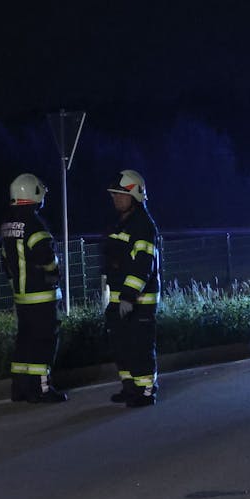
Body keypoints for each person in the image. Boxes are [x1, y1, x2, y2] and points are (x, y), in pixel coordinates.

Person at [0, 174, 68, 403]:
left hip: (22, 297)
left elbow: (5, 261)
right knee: (44, 341)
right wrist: (53, 272)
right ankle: (42, 388)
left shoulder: (8, 225)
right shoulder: (35, 224)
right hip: (41, 295)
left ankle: (19, 387)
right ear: (34, 194)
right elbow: (46, 256)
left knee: (25, 340)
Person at [104, 169, 161, 407]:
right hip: (120, 300)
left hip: (139, 301)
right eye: (114, 194)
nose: (116, 198)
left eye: (121, 194)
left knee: (139, 347)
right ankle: (130, 387)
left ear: (135, 195)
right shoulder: (123, 224)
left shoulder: (143, 226)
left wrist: (128, 296)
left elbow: (142, 266)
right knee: (122, 347)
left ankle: (146, 391)